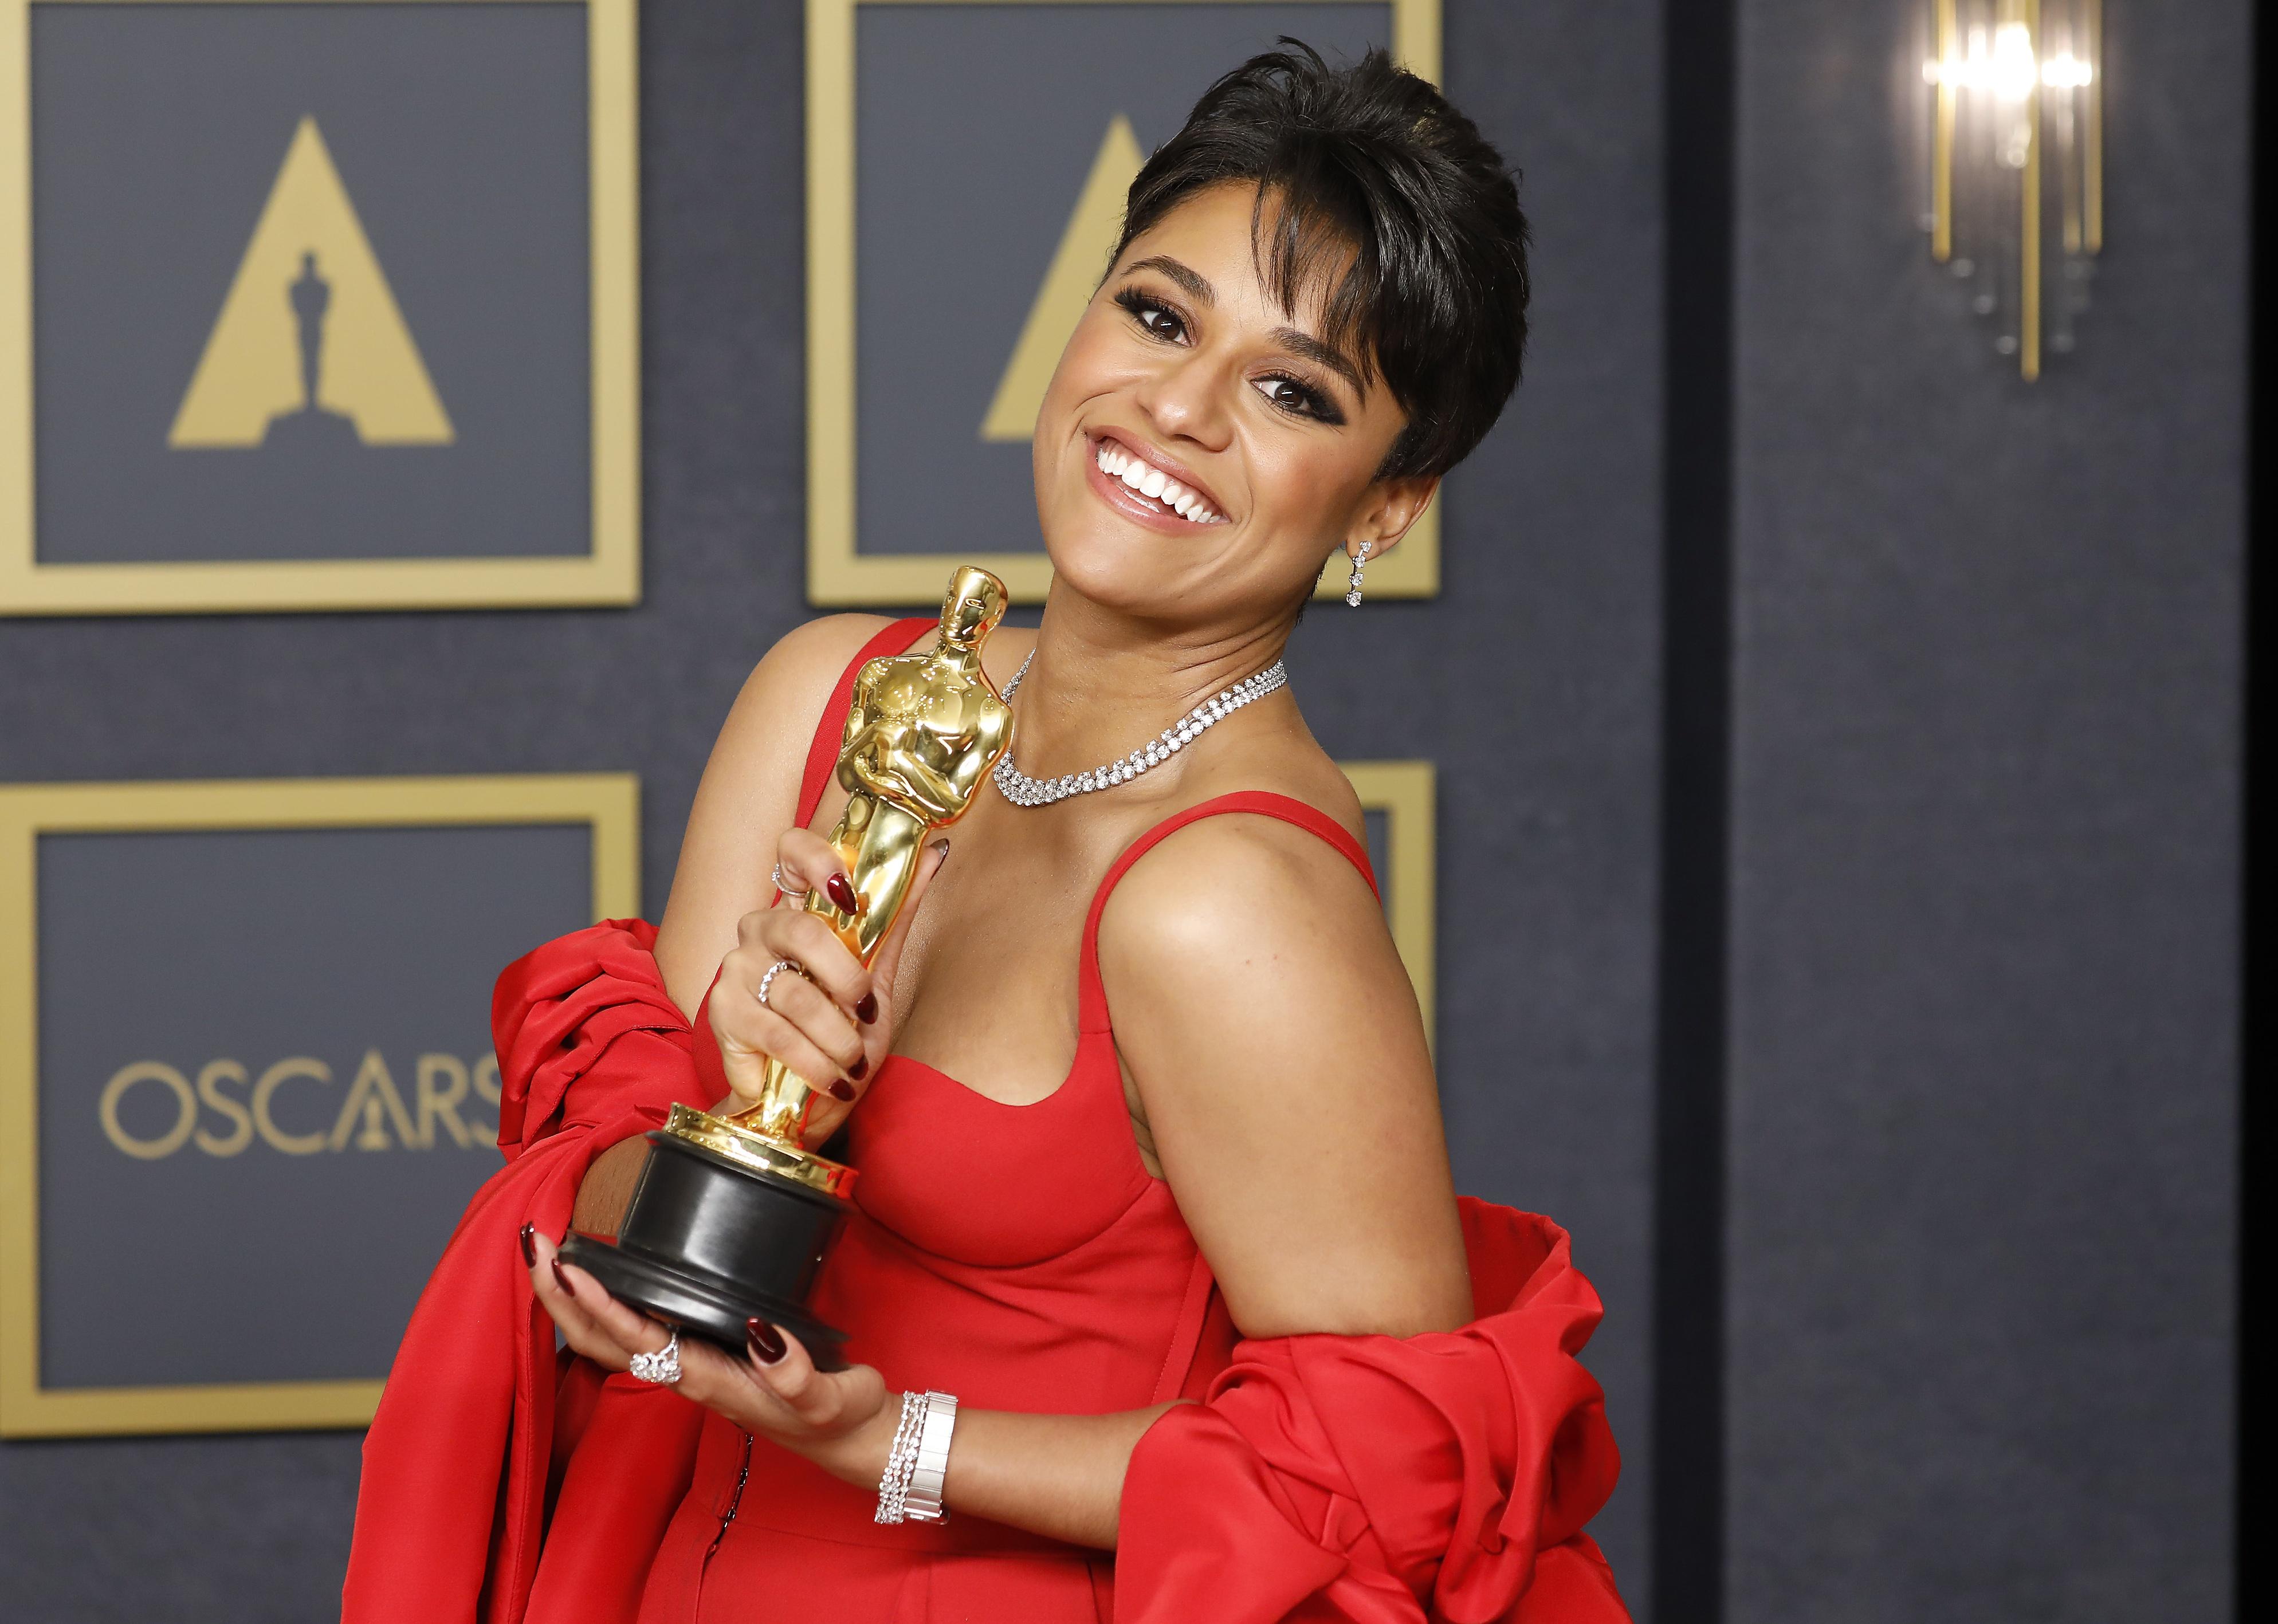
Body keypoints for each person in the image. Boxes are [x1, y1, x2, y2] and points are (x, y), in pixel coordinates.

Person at [344, 42, 1627, 1624]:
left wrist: (895, 1437)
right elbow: (611, 1215)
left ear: (1384, 505)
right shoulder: (830, 695)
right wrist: (734, 1110)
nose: (1176, 406)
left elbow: (1374, 1473)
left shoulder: (1233, 901)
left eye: (1293, 391)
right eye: (1159, 313)